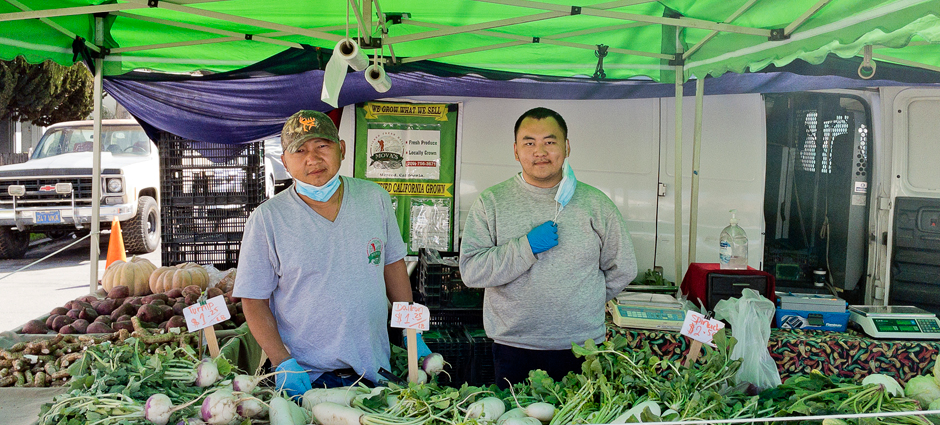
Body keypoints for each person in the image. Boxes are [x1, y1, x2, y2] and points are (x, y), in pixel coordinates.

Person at [233, 110, 428, 399]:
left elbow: (393, 266)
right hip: (308, 376)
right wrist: (282, 362)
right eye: (299, 150)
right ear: (285, 162)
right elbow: (253, 300)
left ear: (342, 149)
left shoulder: (375, 198)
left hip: (374, 372)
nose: (312, 158)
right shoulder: (267, 219)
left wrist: (413, 332)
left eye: (322, 146)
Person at [459, 107, 638, 388]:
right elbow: (472, 271)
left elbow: (623, 267)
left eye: (550, 142)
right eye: (529, 143)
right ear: (516, 151)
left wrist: (583, 299)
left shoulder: (596, 203)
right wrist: (526, 247)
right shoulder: (491, 202)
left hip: (582, 347)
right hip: (513, 346)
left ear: (567, 147)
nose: (539, 151)